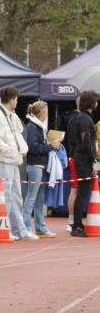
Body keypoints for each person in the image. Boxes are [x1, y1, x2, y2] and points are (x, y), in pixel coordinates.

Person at [0, 86, 33, 240]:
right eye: (17, 99)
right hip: (3, 159)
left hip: (12, 159)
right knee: (5, 195)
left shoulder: (11, 115)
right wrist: (11, 151)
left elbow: (17, 133)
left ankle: (20, 230)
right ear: (12, 100)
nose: (17, 102)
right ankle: (5, 229)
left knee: (16, 195)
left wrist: (20, 150)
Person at [23, 100, 59, 238]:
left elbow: (37, 146)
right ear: (42, 113)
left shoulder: (38, 127)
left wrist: (49, 144)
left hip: (40, 165)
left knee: (39, 198)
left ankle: (40, 227)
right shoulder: (32, 127)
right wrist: (50, 146)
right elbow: (32, 148)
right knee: (31, 198)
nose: (48, 115)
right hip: (34, 166)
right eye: (47, 112)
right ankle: (26, 227)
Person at [66, 91, 99, 237]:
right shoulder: (86, 120)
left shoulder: (75, 119)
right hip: (84, 159)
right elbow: (87, 142)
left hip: (77, 157)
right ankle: (77, 225)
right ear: (91, 103)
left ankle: (76, 223)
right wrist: (94, 161)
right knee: (82, 192)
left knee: (81, 192)